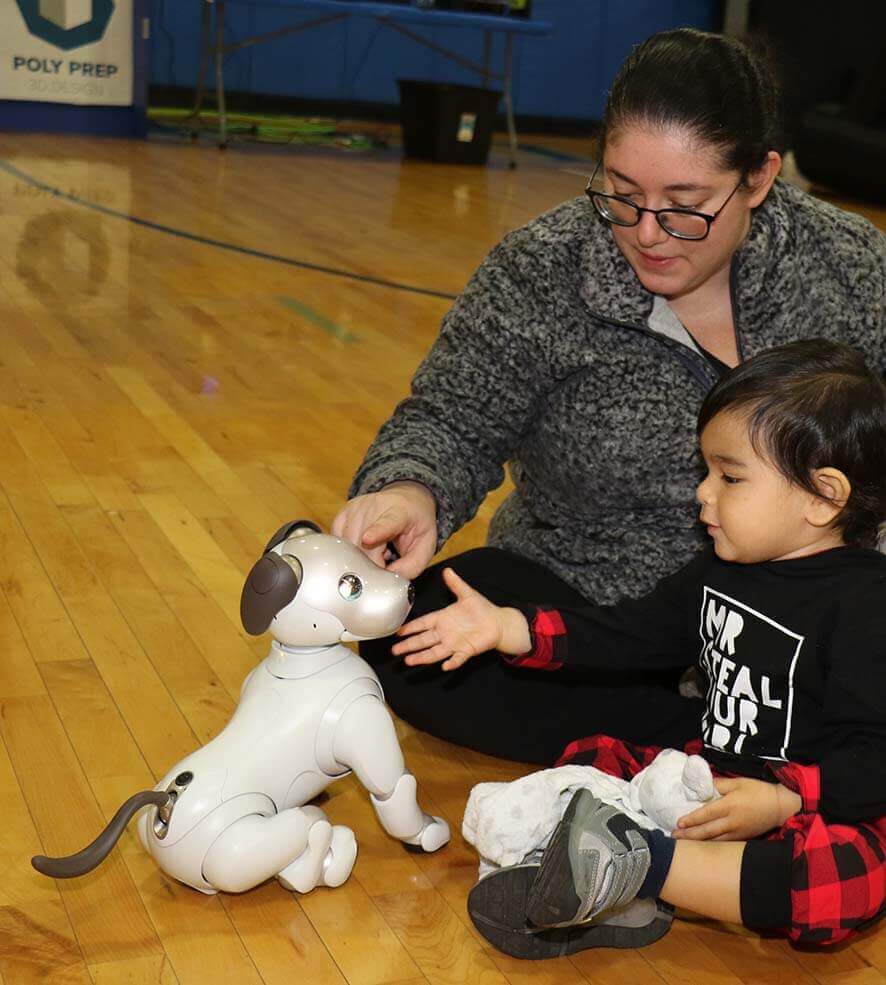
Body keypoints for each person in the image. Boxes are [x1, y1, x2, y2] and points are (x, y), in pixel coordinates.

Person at [333, 27, 886, 764]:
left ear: (759, 179)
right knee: (428, 625)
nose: (649, 233)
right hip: (590, 608)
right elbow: (452, 418)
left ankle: (701, 741)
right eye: (622, 197)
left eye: (686, 206)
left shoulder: (850, 267)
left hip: (800, 617)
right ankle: (739, 742)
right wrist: (410, 491)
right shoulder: (542, 268)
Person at [391, 339, 886, 953]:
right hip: (711, 780)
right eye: (705, 471)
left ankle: (638, 869)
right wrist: (507, 628)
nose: (703, 493)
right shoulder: (720, 571)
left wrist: (784, 800)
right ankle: (599, 882)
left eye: (730, 477)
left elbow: (875, 759)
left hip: (812, 807)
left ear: (822, 497)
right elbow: (630, 633)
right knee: (596, 758)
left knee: (846, 880)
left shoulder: (867, 605)